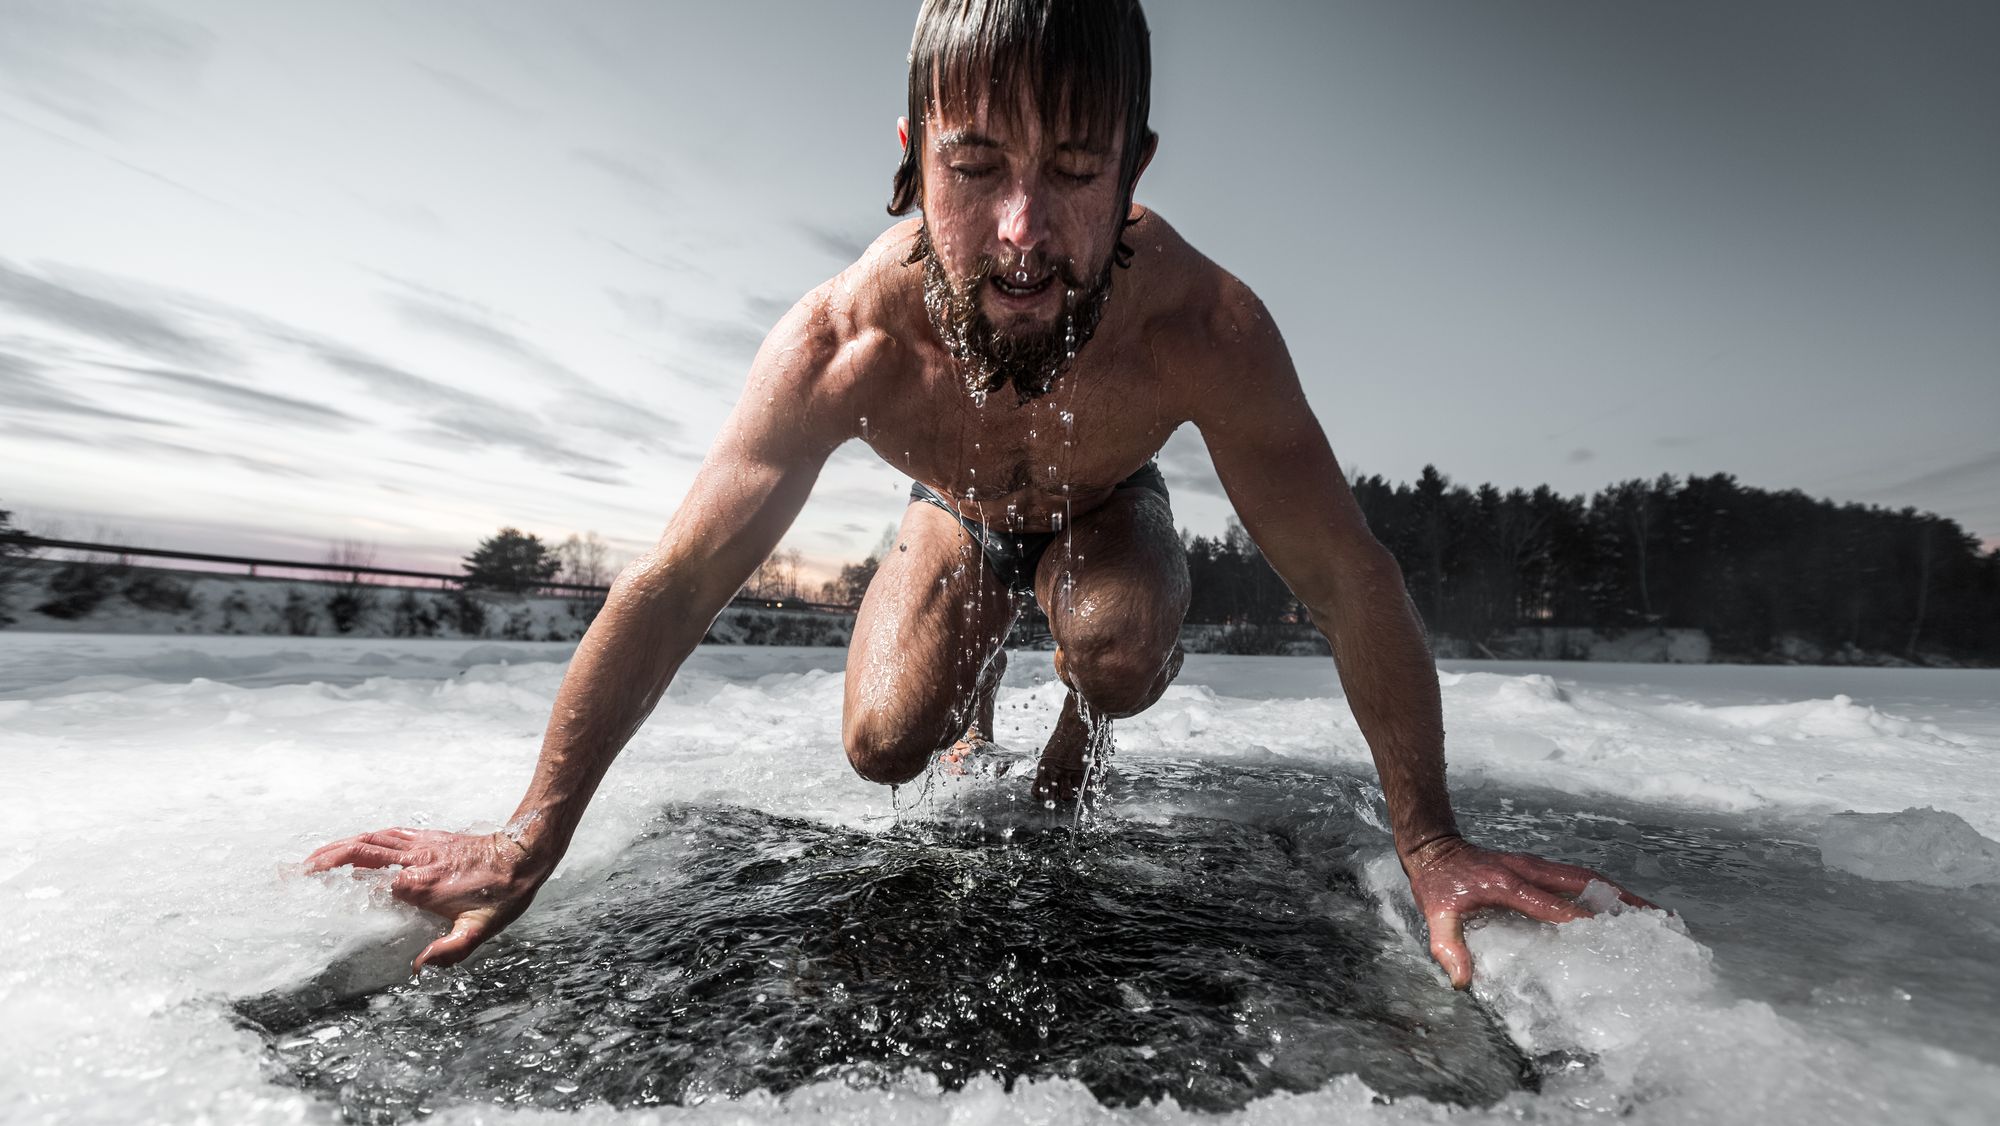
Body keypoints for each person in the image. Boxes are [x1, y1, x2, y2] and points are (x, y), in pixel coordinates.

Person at [308, 0, 1652, 991]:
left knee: (1117, 651)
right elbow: (673, 583)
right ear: (911, 158)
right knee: (887, 743)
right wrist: (527, 837)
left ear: (1134, 165)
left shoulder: (1204, 326)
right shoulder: (849, 341)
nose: (1022, 232)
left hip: (1106, 512)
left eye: (1073, 170)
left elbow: (1351, 575)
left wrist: (1430, 838)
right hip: (952, 510)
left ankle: (1074, 687)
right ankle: (978, 628)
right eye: (976, 168)